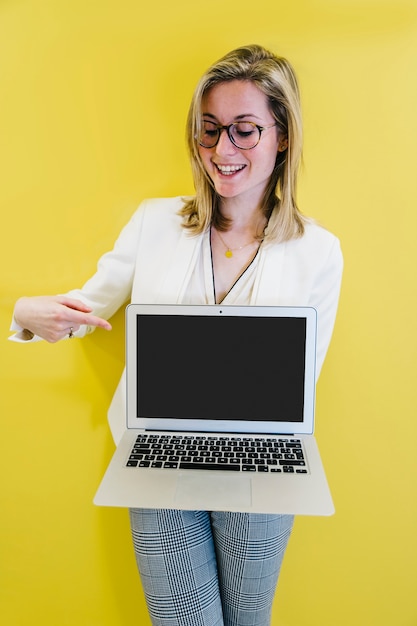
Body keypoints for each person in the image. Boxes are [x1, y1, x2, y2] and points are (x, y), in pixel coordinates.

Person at [10, 44, 343, 626]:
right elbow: (88, 305)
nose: (223, 151)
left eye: (245, 131)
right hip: (157, 457)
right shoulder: (155, 223)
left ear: (282, 135)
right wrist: (25, 313)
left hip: (259, 459)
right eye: (209, 131)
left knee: (248, 617)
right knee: (183, 620)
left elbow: (300, 375)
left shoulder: (319, 251)